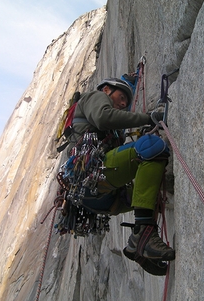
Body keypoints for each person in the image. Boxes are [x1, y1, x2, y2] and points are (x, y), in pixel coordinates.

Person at [64, 77, 175, 274]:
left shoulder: (111, 131)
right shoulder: (95, 96)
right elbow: (103, 117)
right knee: (152, 147)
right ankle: (144, 234)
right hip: (92, 175)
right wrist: (148, 118)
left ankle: (138, 248)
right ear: (107, 89)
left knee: (150, 195)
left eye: (125, 101)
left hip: (99, 197)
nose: (124, 104)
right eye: (121, 97)